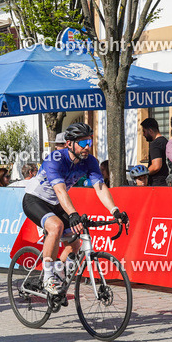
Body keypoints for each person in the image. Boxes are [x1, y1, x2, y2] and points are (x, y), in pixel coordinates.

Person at [22, 122, 129, 295]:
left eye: (90, 142)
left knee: (74, 244)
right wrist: (72, 214)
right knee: (56, 226)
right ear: (69, 144)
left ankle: (58, 273)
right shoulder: (55, 159)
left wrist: (114, 210)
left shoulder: (90, 161)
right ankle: (48, 277)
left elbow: (100, 187)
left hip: (57, 203)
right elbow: (60, 190)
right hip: (35, 200)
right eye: (83, 143)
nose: (87, 147)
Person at [141, 117, 168, 186]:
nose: (143, 134)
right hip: (166, 181)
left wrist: (142, 173)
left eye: (144, 131)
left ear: (150, 131)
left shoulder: (155, 144)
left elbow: (156, 166)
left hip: (157, 184)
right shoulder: (165, 141)